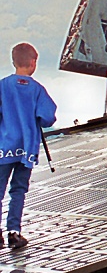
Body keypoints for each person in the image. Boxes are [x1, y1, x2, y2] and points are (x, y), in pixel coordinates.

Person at [0, 43, 57, 250]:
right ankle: (13, 233)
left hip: (3, 148)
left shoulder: (3, 85)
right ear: (33, 63)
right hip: (26, 150)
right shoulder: (37, 90)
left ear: (14, 61)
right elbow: (48, 117)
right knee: (18, 190)